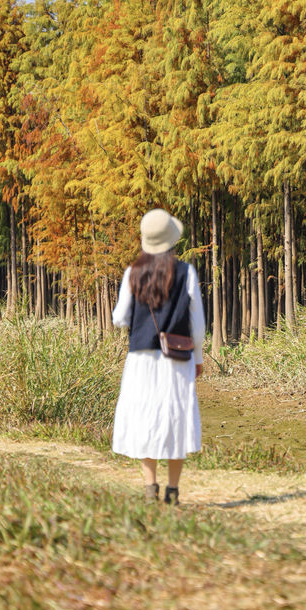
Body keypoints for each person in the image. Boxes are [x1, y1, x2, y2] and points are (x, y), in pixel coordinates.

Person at [111, 208, 206, 503]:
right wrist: (199, 355)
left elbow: (119, 318)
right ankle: (173, 491)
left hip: (140, 359)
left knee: (144, 417)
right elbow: (198, 322)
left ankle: (150, 487)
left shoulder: (132, 273)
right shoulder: (186, 272)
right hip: (177, 359)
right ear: (171, 240)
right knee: (175, 418)